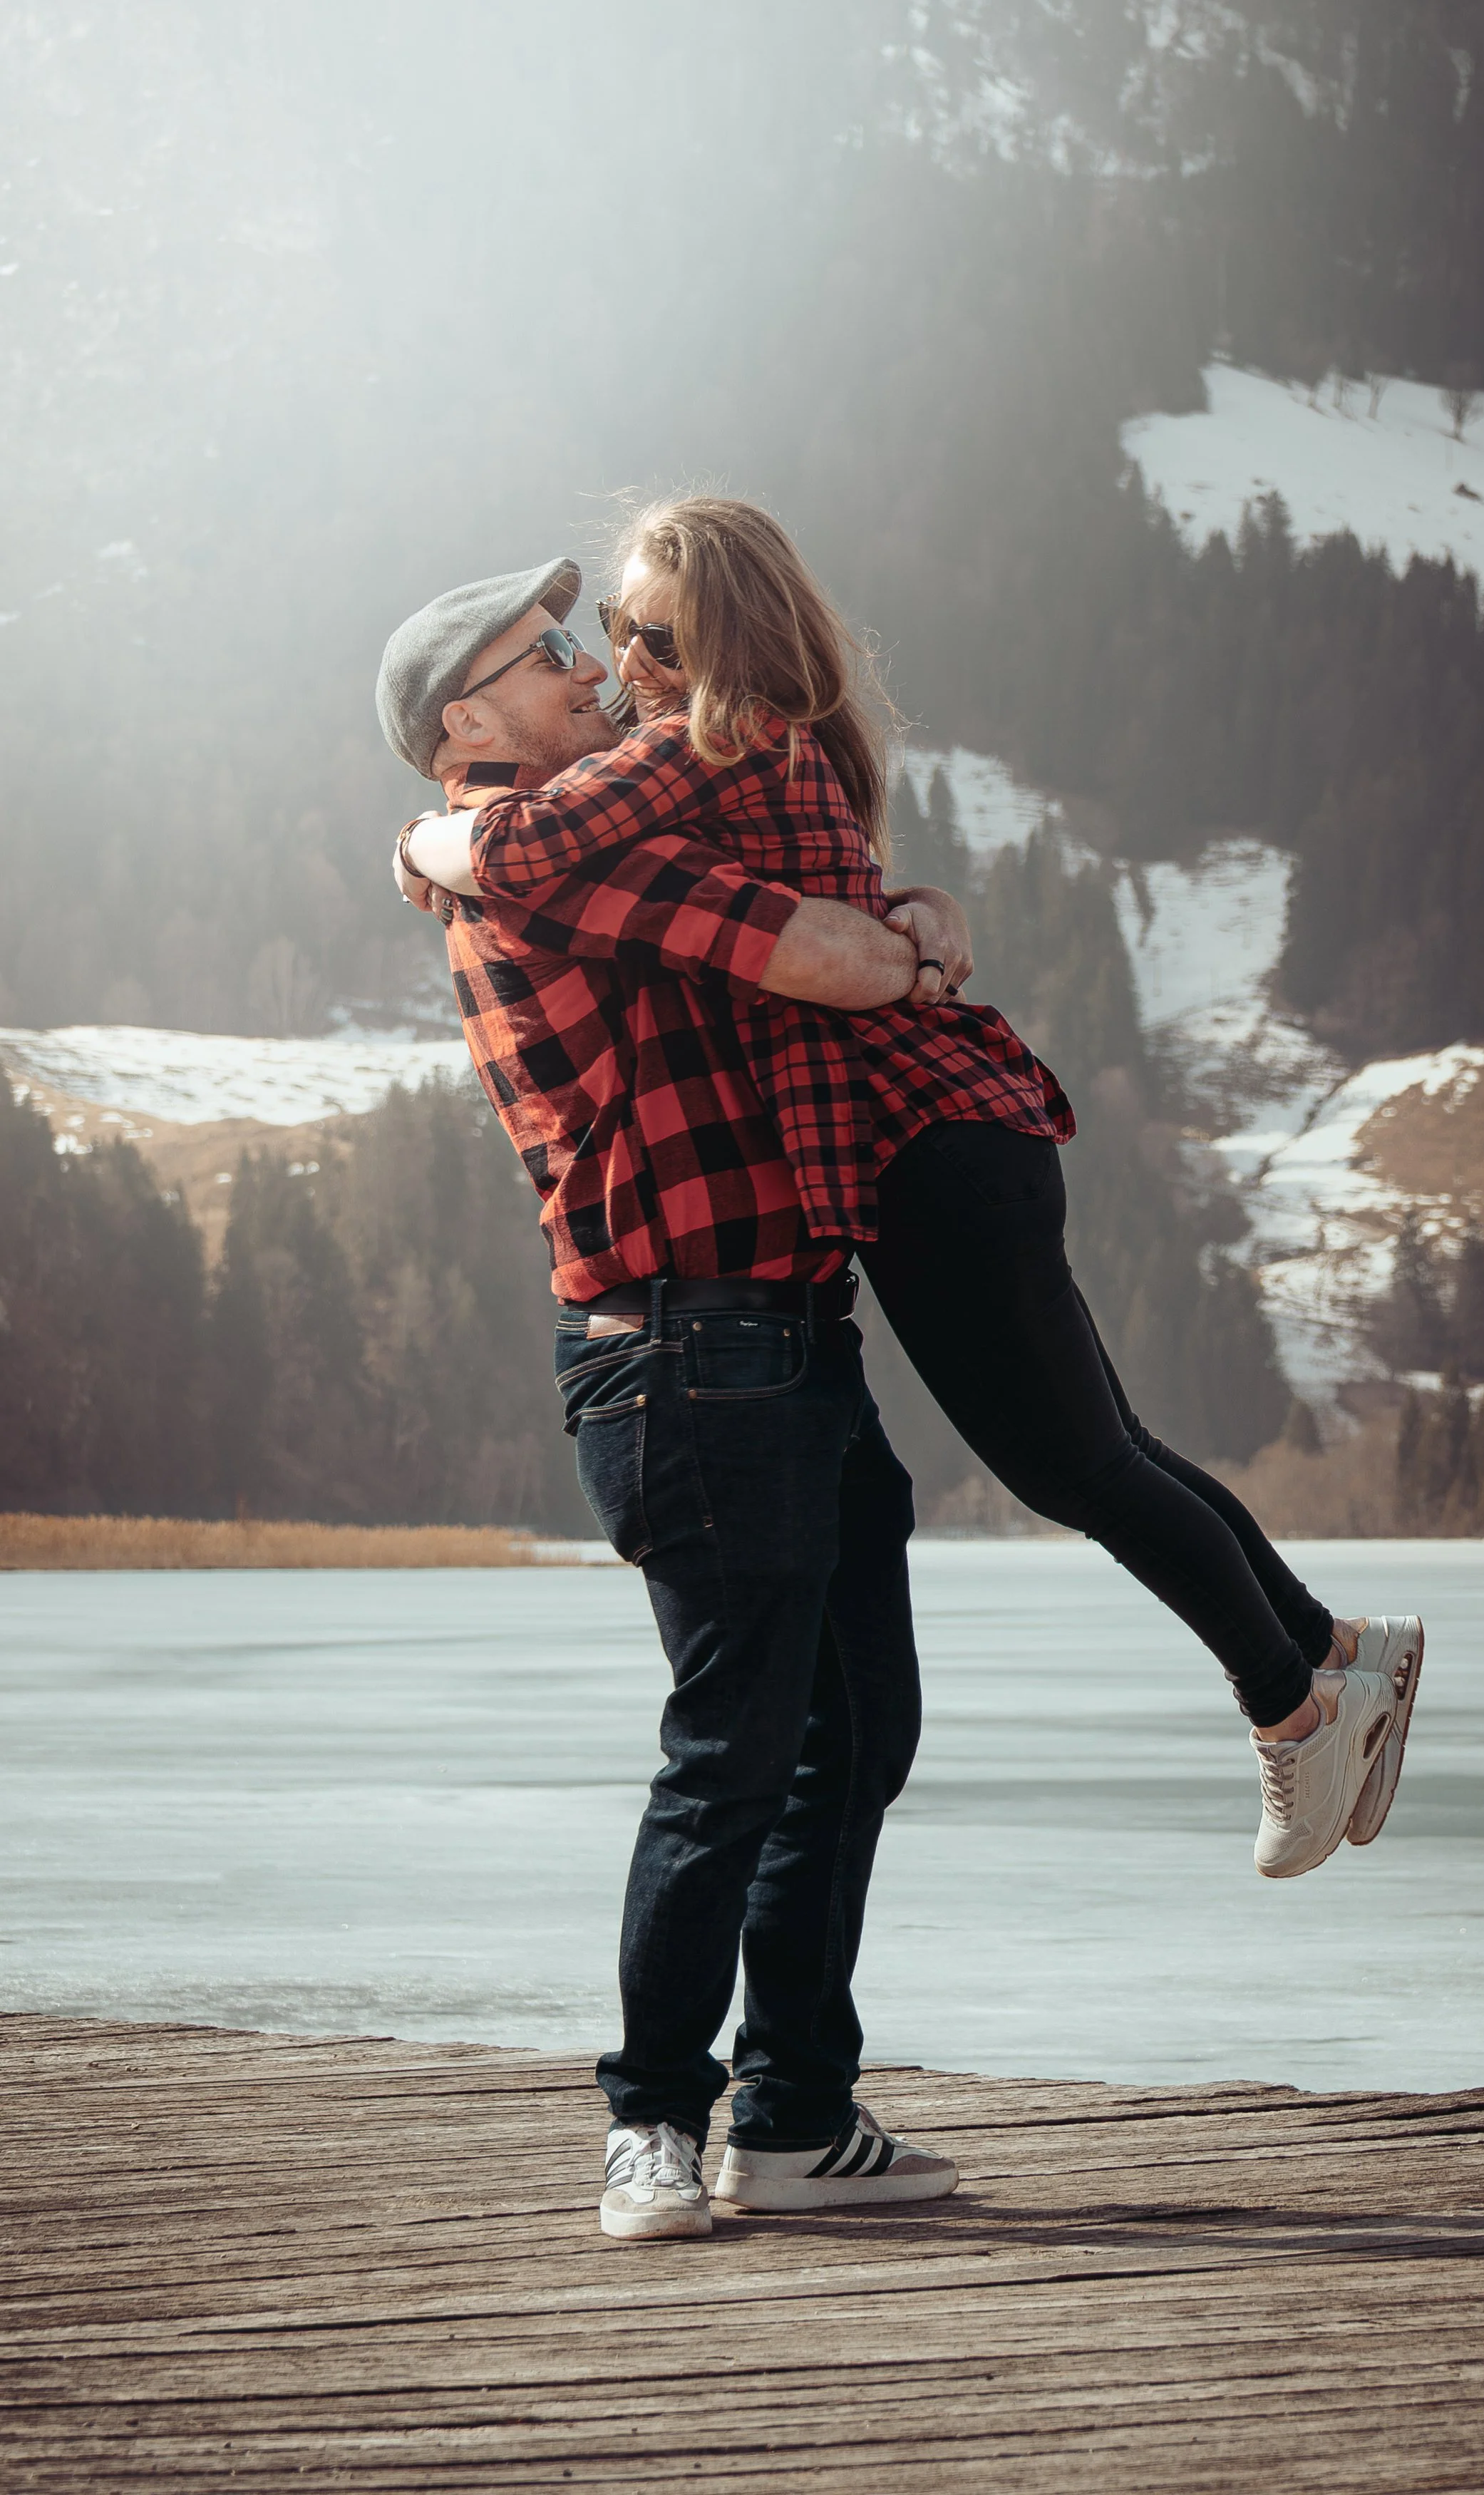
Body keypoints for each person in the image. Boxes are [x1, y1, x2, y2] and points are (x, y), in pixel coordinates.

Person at [398, 500, 1426, 1890]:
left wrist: (428, 842)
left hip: (918, 1155)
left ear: (708, 641)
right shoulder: (787, 736)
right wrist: (919, 927)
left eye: (640, 635)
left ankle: (1291, 1711)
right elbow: (845, 906)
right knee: (1108, 1445)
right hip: (967, 1131)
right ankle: (1334, 1655)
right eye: (602, 641)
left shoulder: (700, 740)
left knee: (1077, 1467)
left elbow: (518, 853)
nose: (616, 663)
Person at [376, 559, 965, 2243]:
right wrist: (907, 945)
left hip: (775, 1330)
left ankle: (790, 2115)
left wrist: (915, 918)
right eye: (547, 655)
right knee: (735, 1753)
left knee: (849, 1731)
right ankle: (651, 2118)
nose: (589, 670)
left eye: (584, 641)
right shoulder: (546, 863)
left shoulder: (546, 831)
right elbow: (811, 953)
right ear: (465, 721)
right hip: (684, 1346)